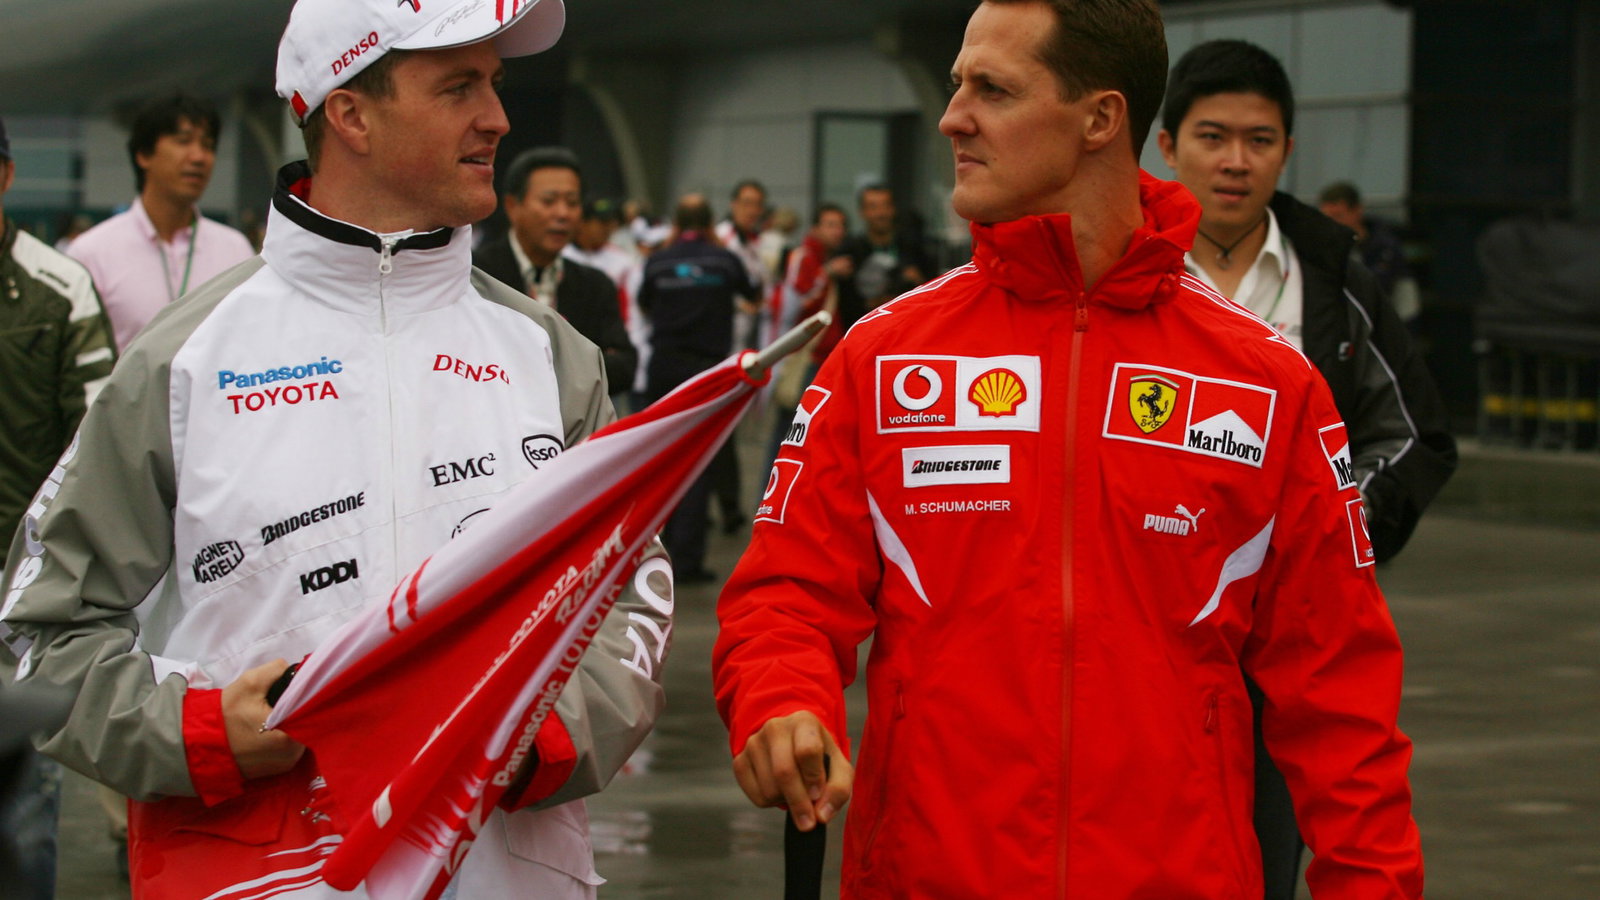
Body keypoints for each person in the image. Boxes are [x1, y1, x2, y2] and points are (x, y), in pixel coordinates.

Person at [712, 2, 1425, 897]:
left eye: (993, 89)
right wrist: (784, 701)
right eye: (955, 85)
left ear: (1101, 119)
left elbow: (1342, 696)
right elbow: (786, 592)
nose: (952, 117)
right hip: (930, 874)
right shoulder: (886, 356)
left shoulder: (1269, 381)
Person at [1, 1, 674, 897]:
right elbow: (39, 632)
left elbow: (635, 592)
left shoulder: (552, 356)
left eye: (496, 84)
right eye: (458, 86)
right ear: (351, 114)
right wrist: (199, 729)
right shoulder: (180, 362)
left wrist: (539, 732)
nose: (499, 118)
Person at [1156, 39, 1455, 899]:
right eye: (1213, 137)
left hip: (1286, 633)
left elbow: (1417, 434)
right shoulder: (1125, 273)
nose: (1236, 162)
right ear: (1167, 145)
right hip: (1153, 615)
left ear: (1288, 149)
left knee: (1266, 846)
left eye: (1260, 139)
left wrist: (1332, 532)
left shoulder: (1334, 280)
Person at [0, 113, 116, 900]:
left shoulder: (57, 284)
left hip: (16, 578)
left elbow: (93, 447)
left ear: (6, 177)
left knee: (23, 803)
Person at [67, 92, 254, 351]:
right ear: (143, 154)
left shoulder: (235, 250)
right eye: (183, 141)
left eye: (208, 145)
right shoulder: (92, 253)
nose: (199, 157)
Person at [638, 194, 759, 582]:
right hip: (708, 370)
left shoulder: (657, 261)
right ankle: (686, 560)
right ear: (710, 223)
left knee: (663, 459)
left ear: (675, 223)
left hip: (664, 367)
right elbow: (753, 294)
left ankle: (656, 548)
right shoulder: (724, 260)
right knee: (699, 461)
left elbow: (644, 305)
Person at [475, 147, 637, 395]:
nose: (562, 213)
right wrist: (582, 363)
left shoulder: (595, 285)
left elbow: (624, 369)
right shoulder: (477, 275)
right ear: (512, 206)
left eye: (572, 203)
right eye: (548, 201)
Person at [1319, 180, 1421, 321]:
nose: (1332, 223)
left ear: (1357, 211)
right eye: (1326, 217)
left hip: (1381, 324)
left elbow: (1401, 293)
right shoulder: (1318, 247)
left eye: (1338, 216)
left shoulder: (1385, 247)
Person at [834, 184, 932, 329]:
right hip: (861, 331)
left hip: (905, 329)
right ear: (862, 212)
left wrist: (918, 282)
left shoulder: (914, 248)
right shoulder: (849, 252)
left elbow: (932, 292)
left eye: (885, 206)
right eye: (873, 207)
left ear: (893, 209)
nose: (881, 213)